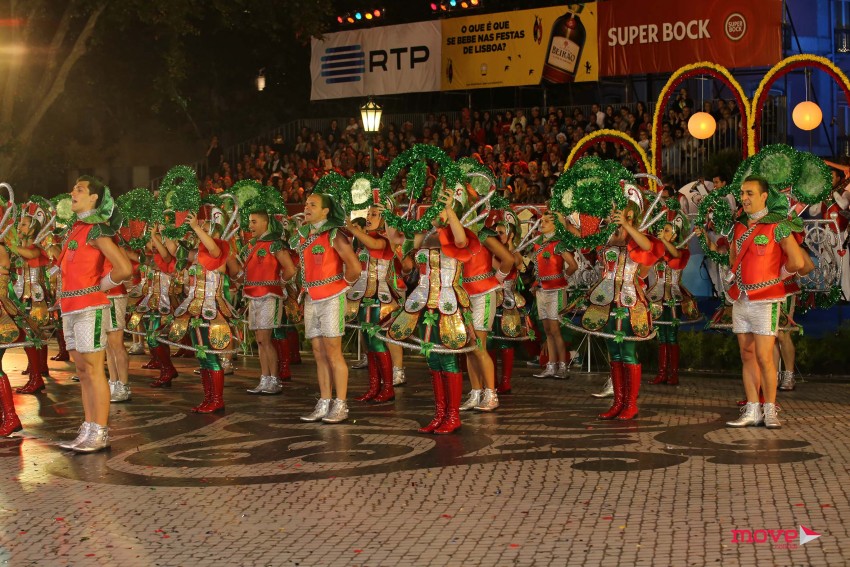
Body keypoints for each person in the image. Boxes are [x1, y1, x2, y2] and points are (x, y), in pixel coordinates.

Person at [55, 176, 132, 452]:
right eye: (73, 188)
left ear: (94, 198)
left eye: (79, 189)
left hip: (90, 308)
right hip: (69, 308)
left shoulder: (97, 229)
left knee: (94, 369)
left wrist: (99, 286)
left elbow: (124, 269)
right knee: (82, 370)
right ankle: (88, 428)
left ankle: (99, 432)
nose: (72, 193)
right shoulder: (76, 229)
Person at [725, 176, 808, 429]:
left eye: (750, 193)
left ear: (764, 196)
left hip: (767, 300)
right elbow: (733, 259)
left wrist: (777, 277)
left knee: (764, 356)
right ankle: (753, 410)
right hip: (741, 299)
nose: (744, 198)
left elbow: (798, 262)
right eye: (742, 193)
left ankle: (770, 410)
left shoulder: (778, 226)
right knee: (747, 354)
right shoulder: (739, 226)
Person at [293, 193, 362, 424]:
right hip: (311, 297)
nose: (306, 207)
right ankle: (324, 402)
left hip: (331, 298)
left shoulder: (335, 235)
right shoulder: (304, 235)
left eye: (313, 205)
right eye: (306, 203)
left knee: (333, 352)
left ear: (326, 211)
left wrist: (341, 287)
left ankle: (340, 404)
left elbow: (354, 267)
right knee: (318, 351)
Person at [242, 192, 297, 395]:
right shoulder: (251, 246)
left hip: (269, 296)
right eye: (250, 221)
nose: (250, 225)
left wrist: (279, 284)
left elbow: (290, 269)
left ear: (265, 222)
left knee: (265, 338)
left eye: (254, 222)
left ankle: (274, 380)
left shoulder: (275, 244)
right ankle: (264, 378)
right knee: (259, 339)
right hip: (253, 295)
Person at [531, 212, 578, 379]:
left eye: (546, 221)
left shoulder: (558, 243)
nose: (542, 224)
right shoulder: (537, 243)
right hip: (541, 290)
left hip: (555, 291)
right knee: (547, 330)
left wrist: (561, 278)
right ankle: (551, 366)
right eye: (541, 221)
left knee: (556, 329)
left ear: (555, 225)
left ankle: (563, 366)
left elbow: (573, 265)